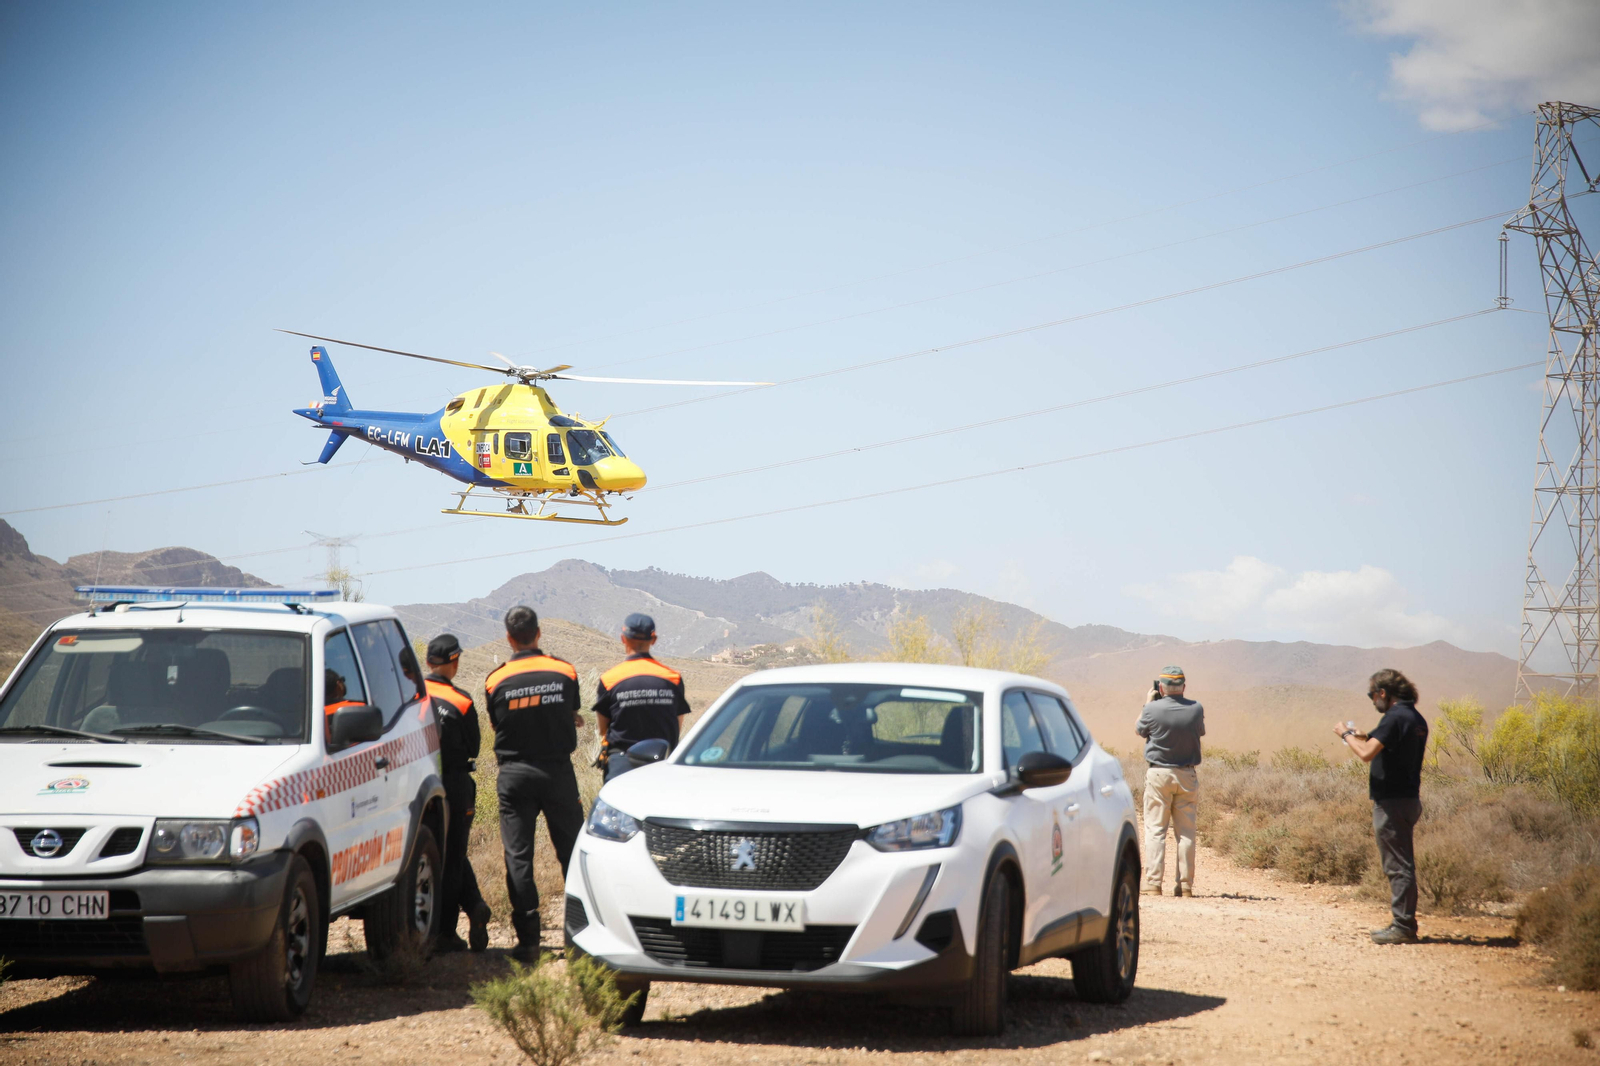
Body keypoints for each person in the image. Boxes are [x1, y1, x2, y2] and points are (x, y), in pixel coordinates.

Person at [485, 605, 585, 961]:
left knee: (518, 857)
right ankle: (580, 936)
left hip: (515, 775)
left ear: (509, 638)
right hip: (557, 772)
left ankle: (528, 941)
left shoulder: (495, 680)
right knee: (572, 852)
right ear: (538, 634)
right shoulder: (564, 671)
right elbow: (572, 712)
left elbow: (498, 725)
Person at [1334, 667, 1429, 945]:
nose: (1372, 700)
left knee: (1398, 866)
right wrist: (1363, 734)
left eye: (1371, 695)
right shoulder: (1413, 717)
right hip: (1409, 799)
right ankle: (1404, 923)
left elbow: (1365, 754)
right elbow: (1383, 744)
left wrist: (1344, 735)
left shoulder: (1394, 717)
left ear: (1383, 693)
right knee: (1403, 864)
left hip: (1392, 803)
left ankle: (1403, 925)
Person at [423, 633, 492, 953]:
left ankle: (428, 925)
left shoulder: (412, 697)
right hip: (455, 783)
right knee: (452, 858)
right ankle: (446, 933)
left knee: (428, 855)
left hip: (416, 784)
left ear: (426, 662)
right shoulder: (462, 701)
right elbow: (474, 747)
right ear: (454, 662)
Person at [594, 613, 692, 781]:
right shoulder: (673, 678)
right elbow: (677, 725)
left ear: (623, 638)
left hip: (621, 765)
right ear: (653, 640)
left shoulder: (609, 679)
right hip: (662, 764)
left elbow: (604, 729)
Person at [1135, 666, 1205, 897]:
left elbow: (1139, 730)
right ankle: (1185, 886)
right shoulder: (1196, 709)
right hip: (1187, 775)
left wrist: (1148, 702)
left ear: (1161, 687)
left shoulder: (1152, 709)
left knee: (1156, 830)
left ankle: (1153, 883)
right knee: (1186, 832)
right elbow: (1199, 731)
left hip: (1159, 775)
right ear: (1184, 687)